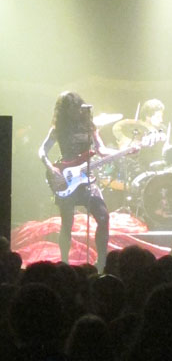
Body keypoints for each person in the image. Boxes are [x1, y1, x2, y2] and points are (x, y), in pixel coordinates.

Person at [39, 91, 116, 270]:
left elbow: (101, 150)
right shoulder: (58, 129)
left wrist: (125, 151)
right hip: (66, 178)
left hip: (86, 177)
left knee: (103, 217)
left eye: (77, 107)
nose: (76, 111)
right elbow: (42, 150)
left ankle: (101, 263)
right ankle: (64, 264)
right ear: (64, 110)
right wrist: (51, 168)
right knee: (67, 223)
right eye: (71, 108)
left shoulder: (89, 126)